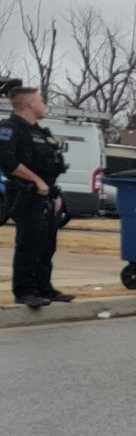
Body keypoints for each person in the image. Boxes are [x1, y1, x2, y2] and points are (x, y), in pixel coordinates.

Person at [1, 78, 72, 309]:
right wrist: (36, 181)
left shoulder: (40, 132)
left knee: (47, 243)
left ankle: (44, 288)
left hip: (46, 195)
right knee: (29, 243)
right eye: (41, 100)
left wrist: (54, 193)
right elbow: (8, 162)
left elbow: (50, 165)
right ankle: (25, 291)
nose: (44, 105)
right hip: (26, 194)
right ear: (30, 103)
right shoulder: (10, 129)